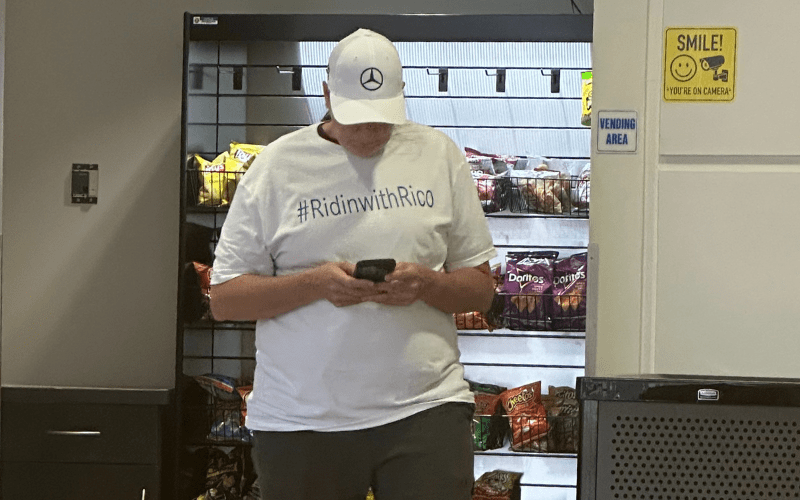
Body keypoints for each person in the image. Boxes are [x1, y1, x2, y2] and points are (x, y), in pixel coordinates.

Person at [209, 28, 497, 500]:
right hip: (302, 422)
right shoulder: (276, 168)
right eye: (356, 119)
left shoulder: (439, 155)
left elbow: (480, 289)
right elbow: (224, 299)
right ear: (326, 95)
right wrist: (316, 284)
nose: (368, 133)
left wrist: (425, 284)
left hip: (425, 412)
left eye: (381, 119)